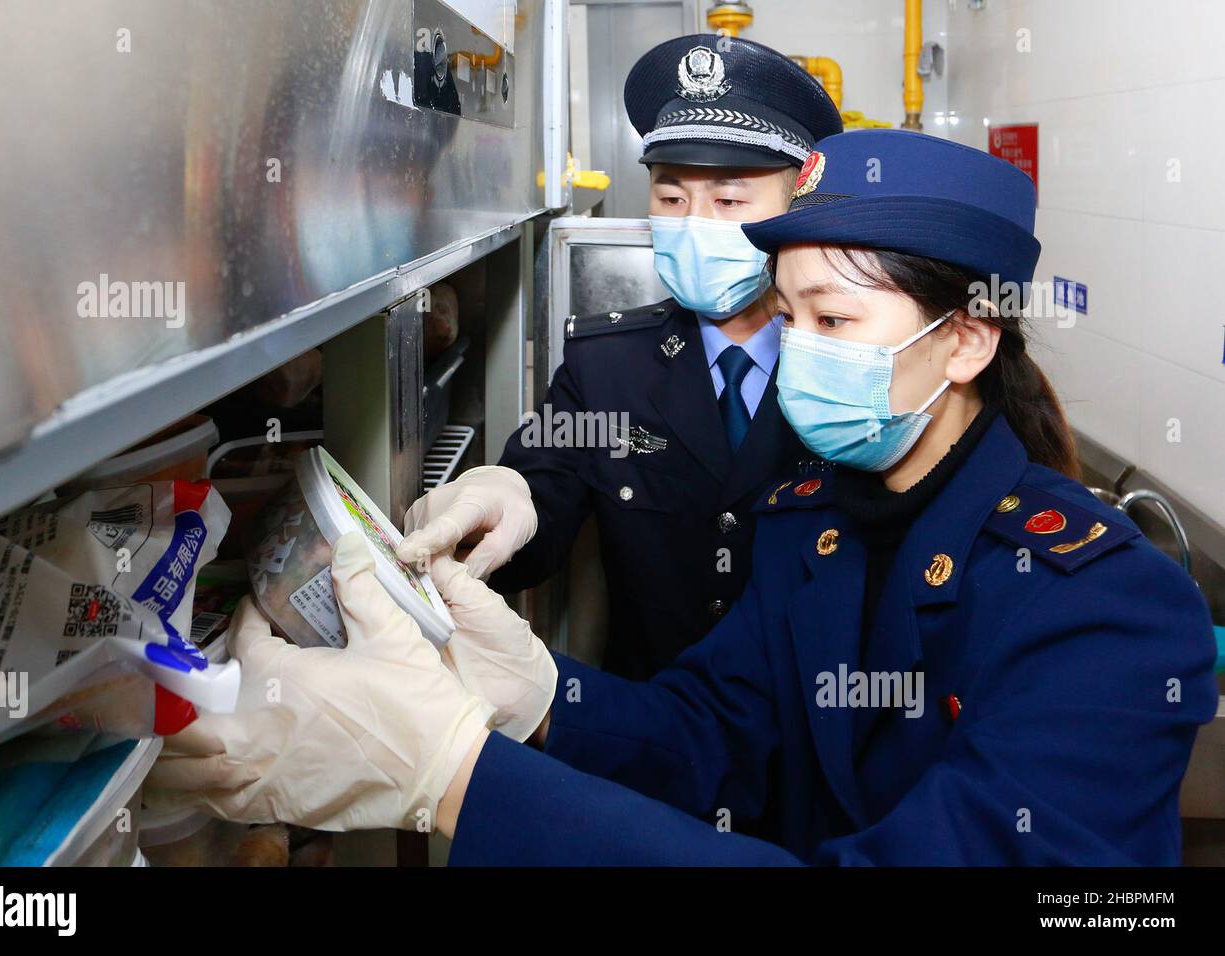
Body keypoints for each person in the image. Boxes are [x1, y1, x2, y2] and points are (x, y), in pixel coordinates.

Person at [148, 130, 1218, 865]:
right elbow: (714, 733)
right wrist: (537, 695)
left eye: (834, 325)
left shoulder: (1104, 608)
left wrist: (452, 772)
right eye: (787, 318)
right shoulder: (814, 525)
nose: (797, 355)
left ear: (967, 340)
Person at [396, 34, 843, 680]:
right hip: (645, 735)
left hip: (818, 739)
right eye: (671, 197)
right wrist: (504, 496)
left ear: (795, 202)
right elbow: (544, 498)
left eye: (730, 200)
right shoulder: (610, 365)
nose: (694, 222)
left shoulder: (851, 362)